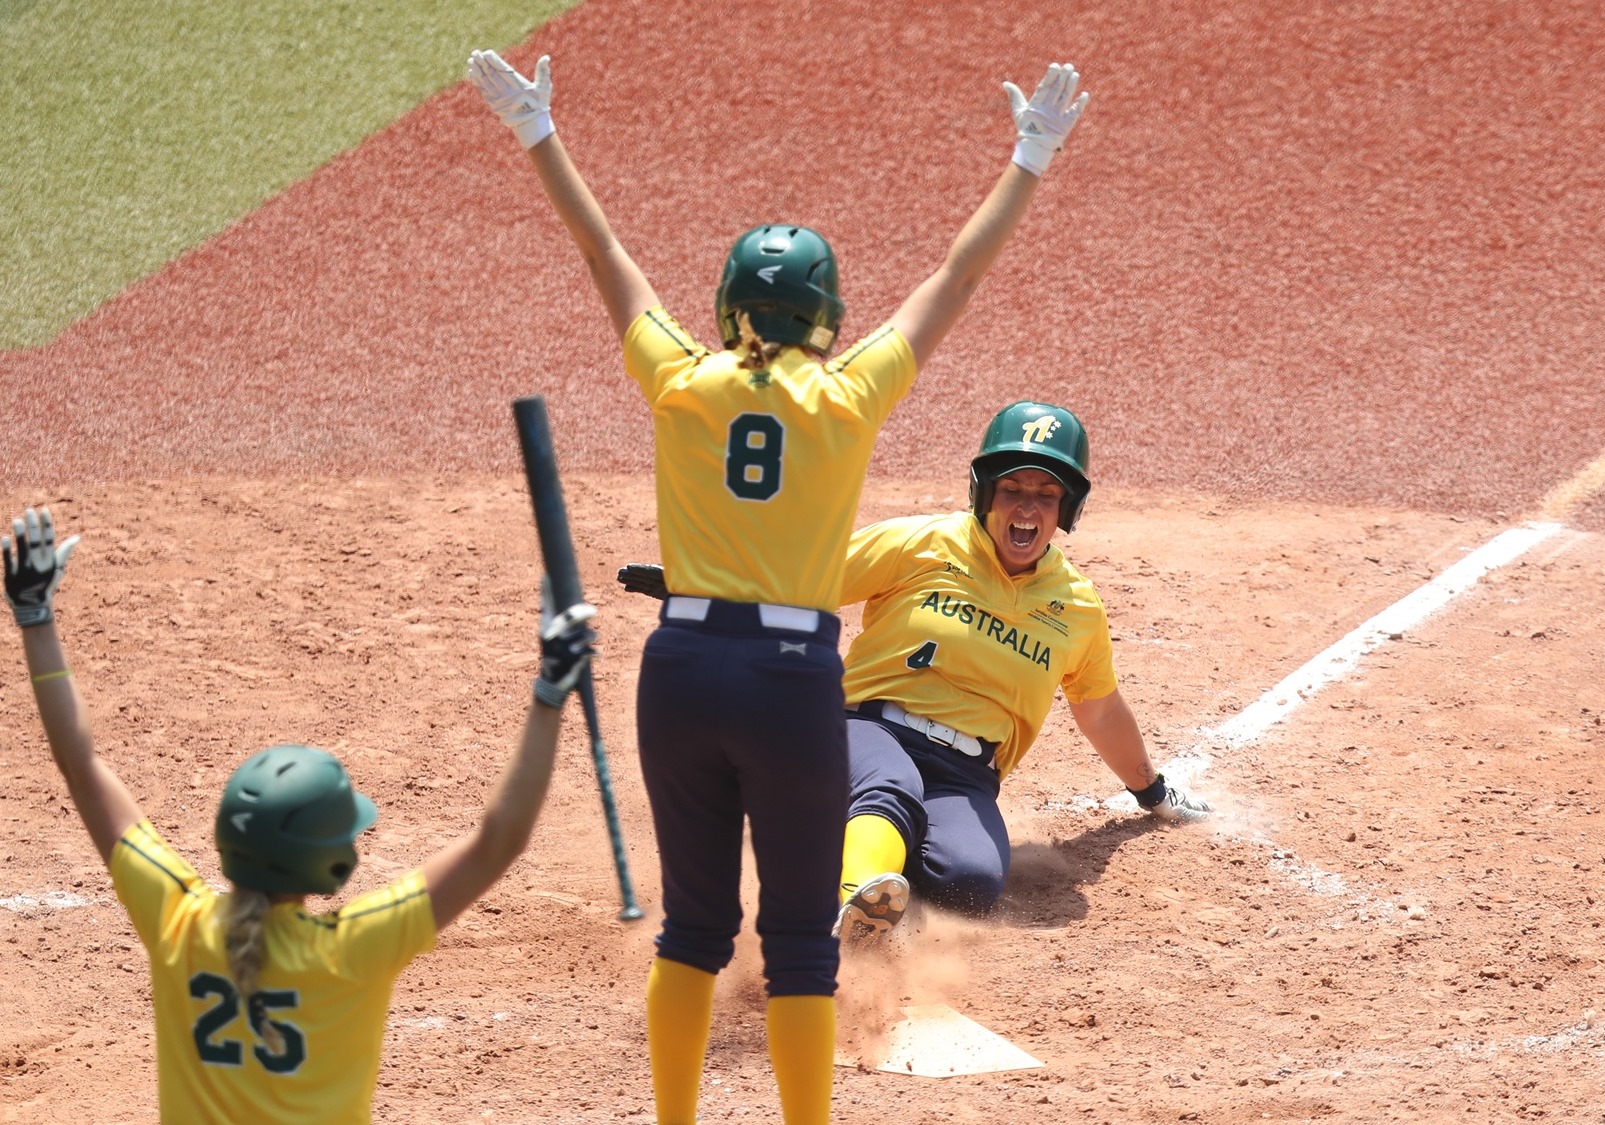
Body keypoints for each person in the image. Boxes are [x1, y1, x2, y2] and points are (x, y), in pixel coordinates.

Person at [465, 50, 1090, 1125]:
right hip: (792, 677)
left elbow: (604, 252)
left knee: (691, 935)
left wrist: (538, 133)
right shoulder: (849, 395)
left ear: (728, 307)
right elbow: (956, 277)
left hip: (679, 667)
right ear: (825, 312)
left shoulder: (679, 377)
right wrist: (1030, 155)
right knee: (800, 941)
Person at [3, 505, 597, 1122]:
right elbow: (498, 843)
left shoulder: (179, 923)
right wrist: (550, 690)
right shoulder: (350, 952)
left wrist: (34, 615)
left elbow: (81, 766)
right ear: (329, 863)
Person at [616, 402, 1211, 938]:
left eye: (1046, 494)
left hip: (966, 773)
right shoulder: (922, 543)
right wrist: (706, 586)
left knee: (970, 883)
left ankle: (849, 851)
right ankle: (848, 907)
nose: (1027, 507)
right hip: (867, 729)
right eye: (1011, 488)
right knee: (888, 787)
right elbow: (806, 580)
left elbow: (1099, 710)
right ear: (984, 492)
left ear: (1067, 509)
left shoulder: (1076, 607)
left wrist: (1151, 792)